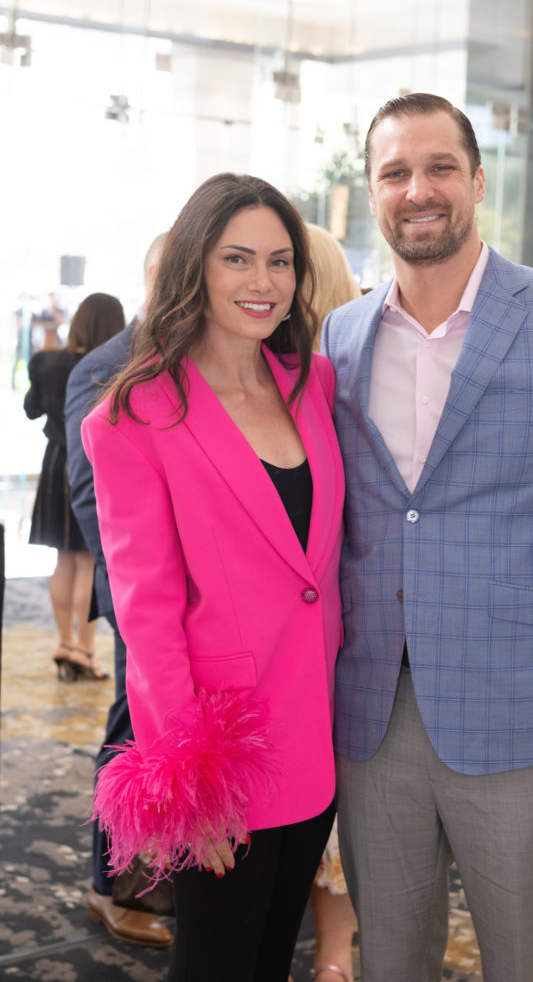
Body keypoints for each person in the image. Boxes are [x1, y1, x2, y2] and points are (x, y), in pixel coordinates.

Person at [320, 93, 533, 982]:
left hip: (524, 718)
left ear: (475, 181)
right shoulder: (341, 334)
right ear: (371, 194)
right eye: (394, 172)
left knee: (524, 960)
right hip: (370, 713)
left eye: (438, 168)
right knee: (389, 956)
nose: (417, 189)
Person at [81, 173, 345, 982]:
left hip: (316, 728)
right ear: (196, 265)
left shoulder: (314, 384)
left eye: (278, 262)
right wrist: (191, 786)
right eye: (237, 259)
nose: (261, 283)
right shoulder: (133, 415)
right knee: (217, 965)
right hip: (223, 747)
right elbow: (147, 615)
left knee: (273, 958)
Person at [65, 233, 172, 948]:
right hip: (140, 591)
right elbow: (88, 495)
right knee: (131, 730)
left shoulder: (198, 359)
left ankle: (163, 873)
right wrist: (146, 581)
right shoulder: (106, 367)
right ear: (152, 276)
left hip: (199, 598)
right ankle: (112, 886)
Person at [304, 224, 359, 982]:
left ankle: (331, 953)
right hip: (357, 622)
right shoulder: (348, 364)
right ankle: (335, 955)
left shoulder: (327, 375)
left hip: (339, 626)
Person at [24, 291, 125, 680]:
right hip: (92, 462)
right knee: (87, 560)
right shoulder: (109, 363)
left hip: (54, 463)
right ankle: (84, 650)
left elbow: (32, 410)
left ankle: (64, 642)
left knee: (62, 558)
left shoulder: (47, 361)